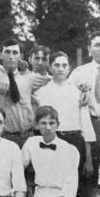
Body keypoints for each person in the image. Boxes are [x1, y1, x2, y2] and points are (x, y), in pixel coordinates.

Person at [0, 39, 50, 148]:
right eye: (7, 52)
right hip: (2, 137)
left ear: (21, 56)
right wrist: (2, 73)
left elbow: (55, 79)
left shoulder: (29, 78)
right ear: (0, 55)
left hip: (27, 136)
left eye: (15, 53)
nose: (11, 56)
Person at [33, 51, 95, 179]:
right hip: (51, 140)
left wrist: (88, 160)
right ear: (50, 68)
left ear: (69, 69)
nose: (60, 69)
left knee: (75, 185)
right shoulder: (41, 93)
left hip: (75, 141)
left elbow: (86, 126)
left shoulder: (78, 93)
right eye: (56, 65)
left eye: (64, 65)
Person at [68, 31, 100, 188]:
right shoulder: (79, 72)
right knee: (90, 171)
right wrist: (80, 90)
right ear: (89, 49)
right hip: (91, 123)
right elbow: (65, 91)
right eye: (97, 45)